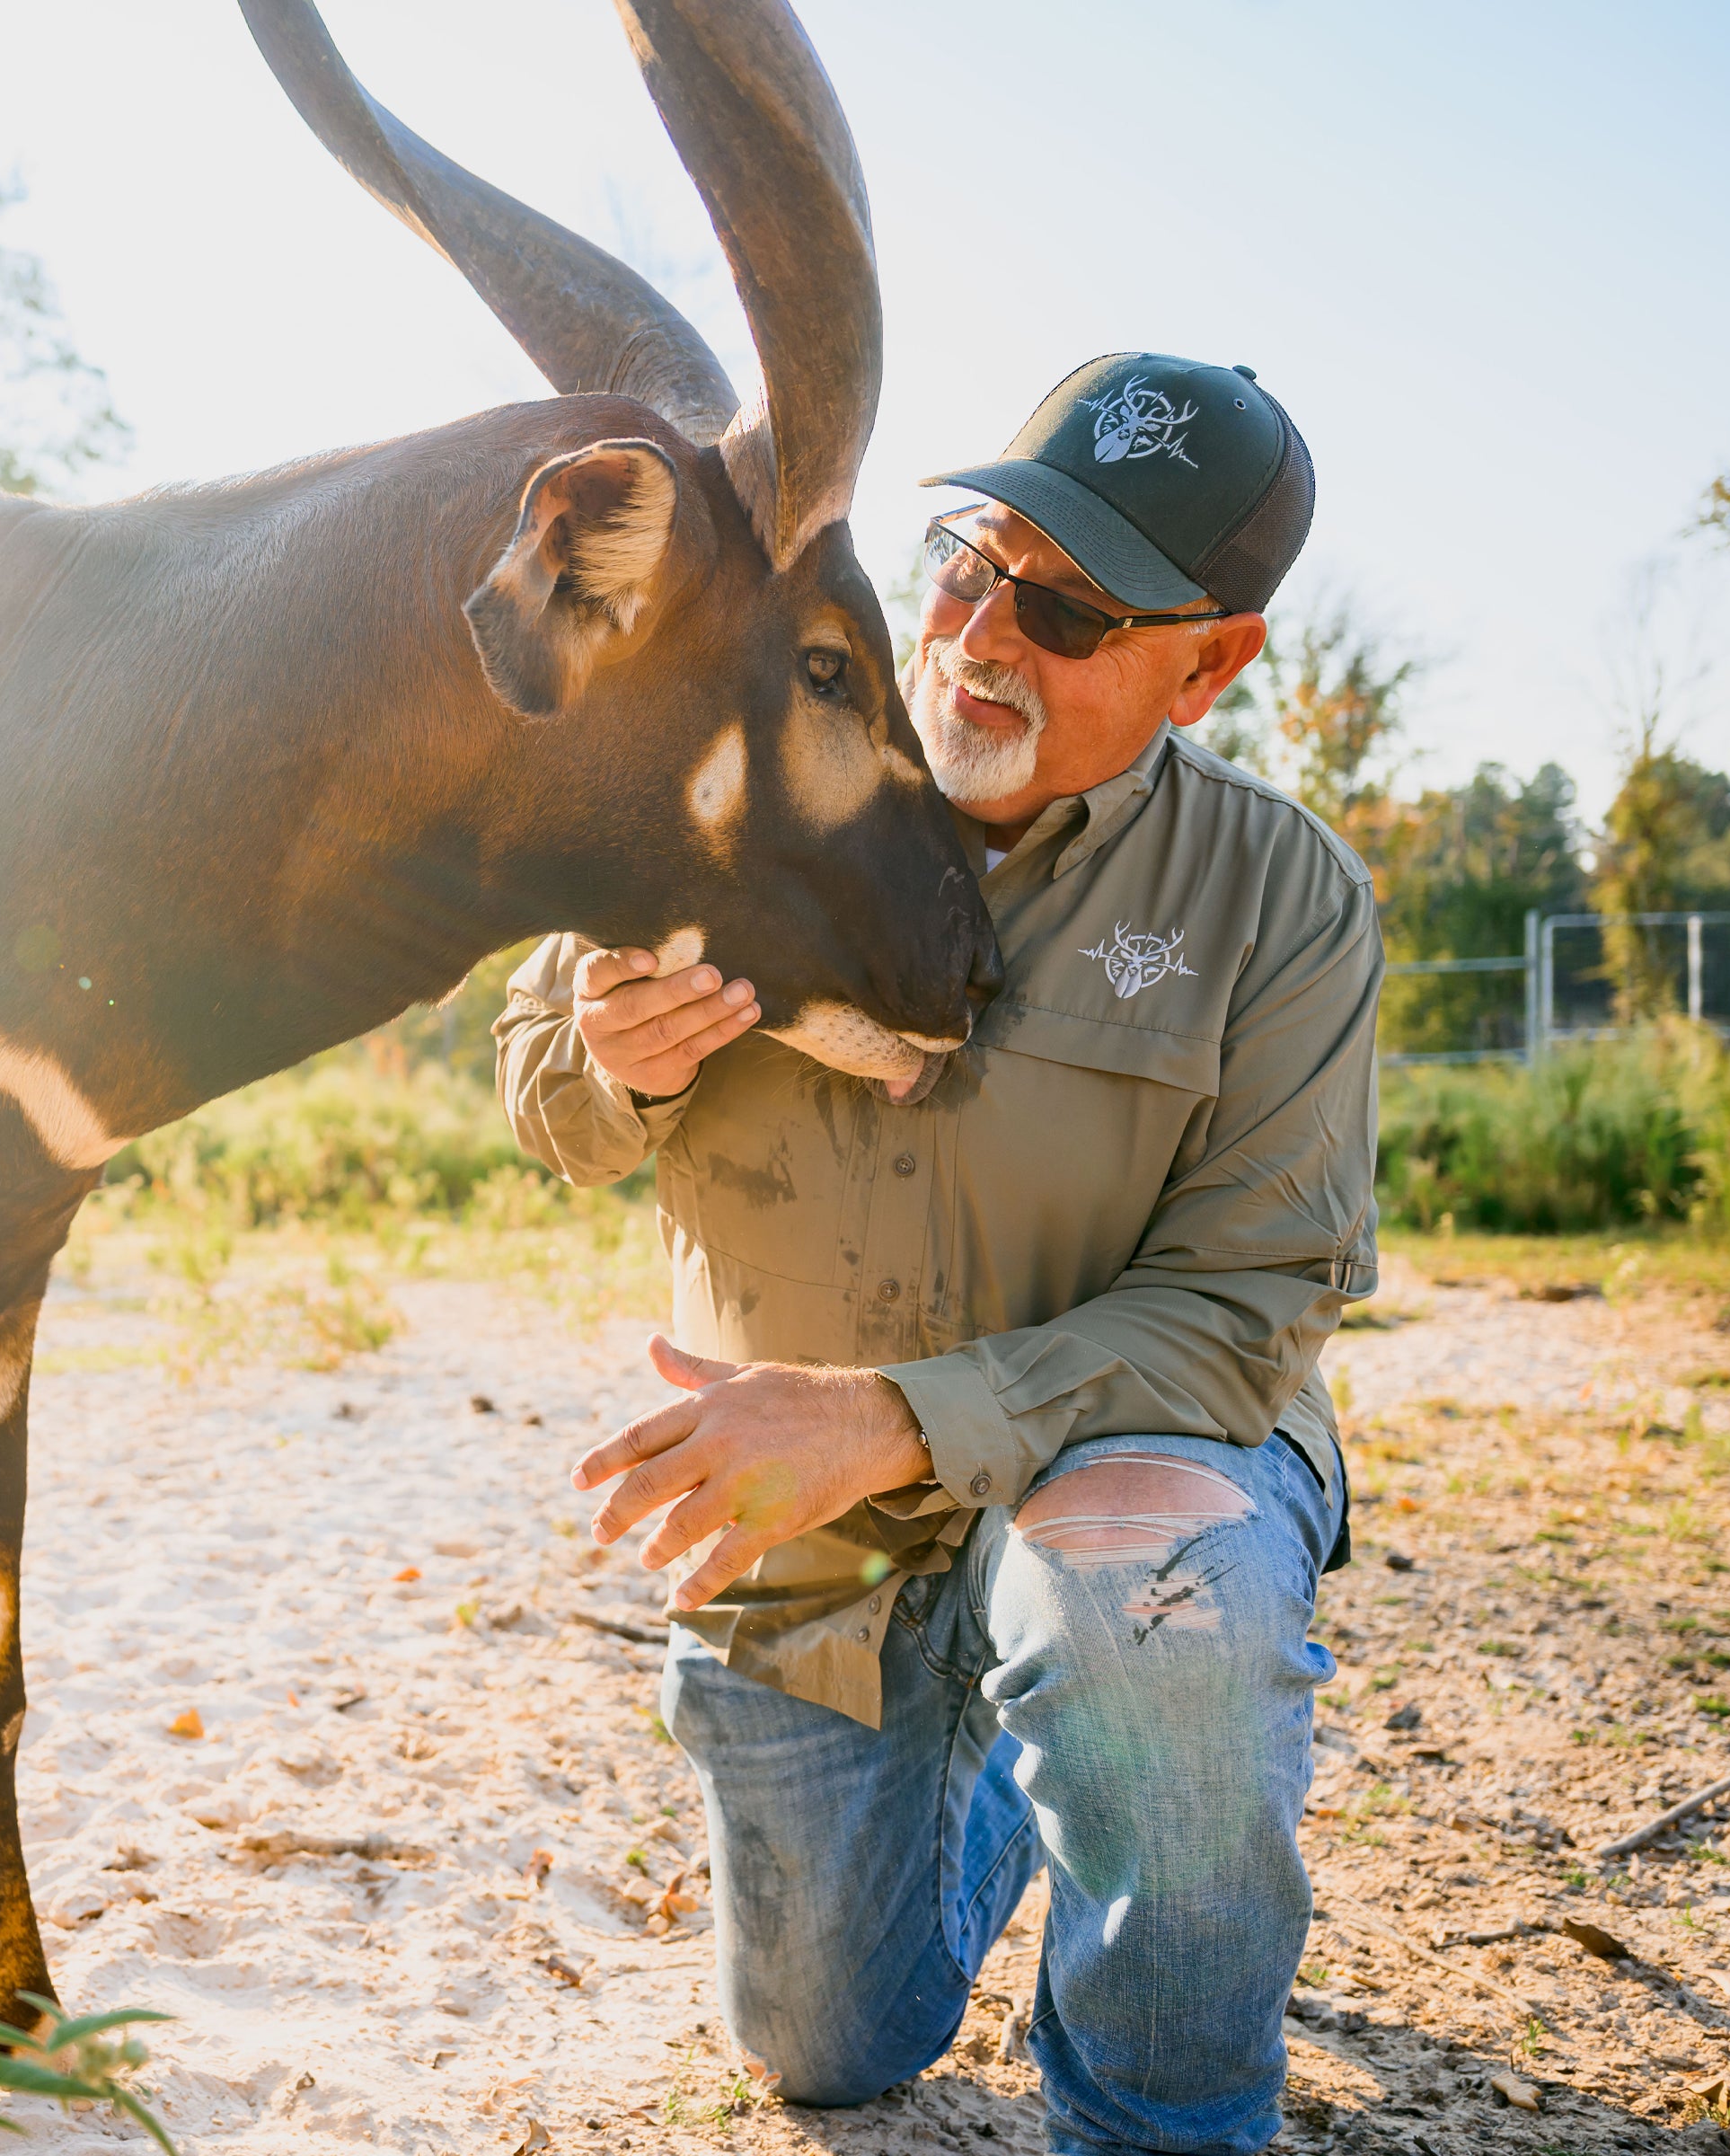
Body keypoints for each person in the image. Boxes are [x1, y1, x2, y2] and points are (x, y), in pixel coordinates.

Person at [493, 353, 1380, 2156]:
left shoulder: (1285, 900)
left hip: (1119, 1466)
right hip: (809, 1546)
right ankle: (1017, 1774)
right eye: (974, 560)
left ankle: (1156, 2117)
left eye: (1064, 609)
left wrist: (894, 1417)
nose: (980, 629)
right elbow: (542, 1100)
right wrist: (606, 1053)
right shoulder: (734, 764)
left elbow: (1242, 1311)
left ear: (1211, 662)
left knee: (1154, 1616)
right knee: (826, 2047)